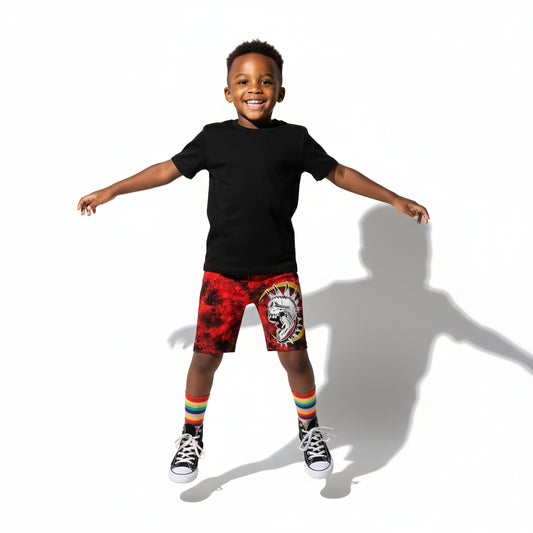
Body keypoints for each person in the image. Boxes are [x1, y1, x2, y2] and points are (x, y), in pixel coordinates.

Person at [77, 39, 429, 484]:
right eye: (243, 81)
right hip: (222, 274)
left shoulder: (294, 140)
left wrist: (393, 198)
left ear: (281, 91)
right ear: (228, 92)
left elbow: (338, 173)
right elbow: (166, 169)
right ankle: (191, 435)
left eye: (265, 81)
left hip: (277, 275)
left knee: (295, 357)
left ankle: (309, 429)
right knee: (205, 359)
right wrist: (111, 190)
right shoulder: (214, 138)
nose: (254, 88)